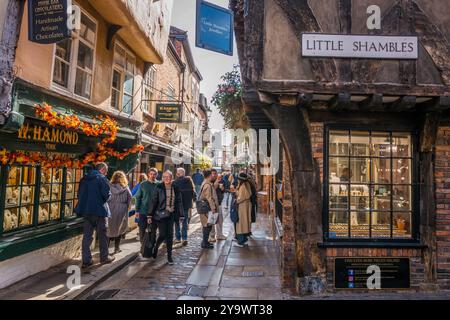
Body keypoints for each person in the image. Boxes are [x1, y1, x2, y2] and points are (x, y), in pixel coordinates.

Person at [75, 162, 115, 268]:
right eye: (106, 172)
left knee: (87, 236)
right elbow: (106, 195)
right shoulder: (102, 179)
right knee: (103, 235)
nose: (106, 174)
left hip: (86, 211)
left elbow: (79, 194)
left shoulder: (84, 179)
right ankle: (104, 257)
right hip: (100, 211)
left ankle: (86, 261)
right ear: (102, 170)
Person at [148, 170, 184, 265]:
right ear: (162, 178)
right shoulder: (159, 186)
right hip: (161, 214)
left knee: (170, 235)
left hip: (171, 214)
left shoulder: (175, 187)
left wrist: (181, 214)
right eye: (165, 177)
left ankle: (169, 256)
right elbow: (154, 201)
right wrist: (149, 214)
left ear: (172, 178)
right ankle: (156, 248)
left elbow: (179, 201)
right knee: (163, 234)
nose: (167, 179)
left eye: (169, 177)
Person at [107, 171, 132, 254]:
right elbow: (130, 199)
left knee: (109, 229)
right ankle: (116, 248)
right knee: (119, 228)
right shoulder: (125, 188)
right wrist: (127, 208)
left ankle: (105, 249)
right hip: (121, 209)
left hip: (110, 209)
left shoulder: (109, 186)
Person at [135, 168, 159, 245]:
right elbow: (138, 197)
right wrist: (136, 210)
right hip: (143, 211)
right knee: (142, 230)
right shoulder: (143, 184)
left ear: (156, 175)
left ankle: (151, 246)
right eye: (151, 174)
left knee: (153, 231)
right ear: (148, 174)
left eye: (154, 174)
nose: (152, 176)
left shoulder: (159, 184)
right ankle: (142, 246)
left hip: (155, 213)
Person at [173, 168, 196, 246]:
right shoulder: (189, 181)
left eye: (177, 173)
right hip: (186, 205)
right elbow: (194, 193)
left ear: (178, 174)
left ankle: (178, 238)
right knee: (185, 222)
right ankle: (185, 238)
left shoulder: (175, 182)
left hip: (177, 205)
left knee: (177, 222)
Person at [199, 169, 219, 249]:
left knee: (208, 225)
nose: (213, 175)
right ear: (209, 175)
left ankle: (205, 242)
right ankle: (204, 243)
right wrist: (213, 208)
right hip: (207, 209)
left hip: (207, 208)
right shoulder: (207, 185)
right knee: (207, 225)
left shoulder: (206, 183)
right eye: (212, 174)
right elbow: (209, 198)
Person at [235, 173, 253, 247]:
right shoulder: (247, 184)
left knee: (241, 224)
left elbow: (240, 198)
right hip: (246, 206)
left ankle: (241, 241)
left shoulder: (243, 186)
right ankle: (244, 239)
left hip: (242, 206)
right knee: (245, 223)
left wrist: (236, 199)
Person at [209, 169, 227, 242]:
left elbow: (223, 191)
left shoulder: (221, 181)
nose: (214, 175)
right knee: (212, 220)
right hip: (212, 204)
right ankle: (212, 236)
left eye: (215, 173)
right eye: (212, 173)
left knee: (220, 220)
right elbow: (212, 190)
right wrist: (216, 183)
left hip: (219, 203)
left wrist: (222, 189)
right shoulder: (209, 182)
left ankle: (219, 235)